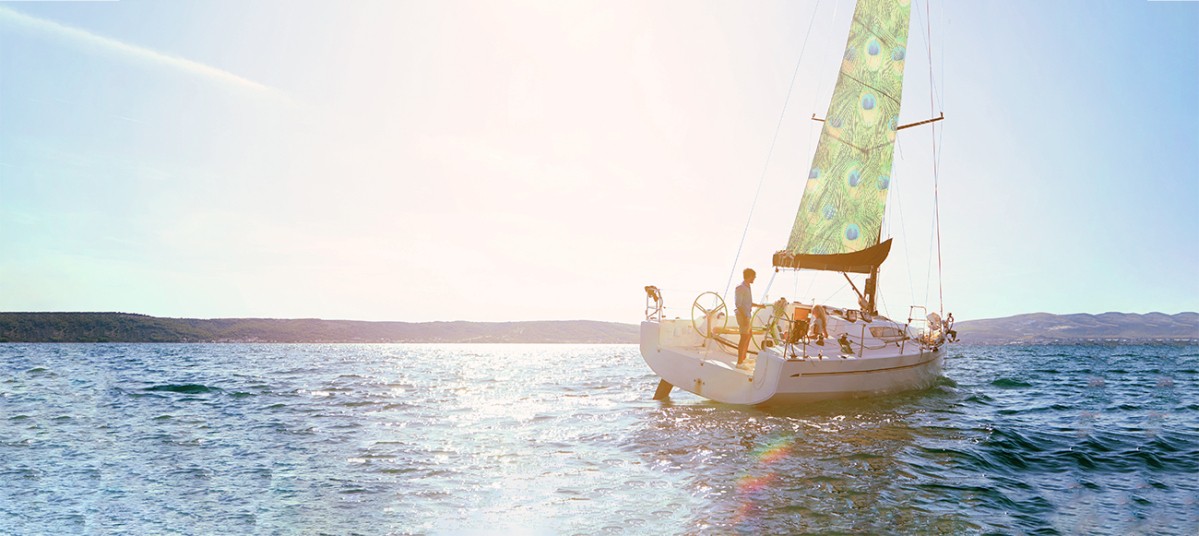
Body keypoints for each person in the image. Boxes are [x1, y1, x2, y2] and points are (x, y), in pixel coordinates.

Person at [735, 268, 758, 368]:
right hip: (742, 315)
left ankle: (743, 358)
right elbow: (738, 304)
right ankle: (739, 362)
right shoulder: (741, 287)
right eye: (754, 276)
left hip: (747, 315)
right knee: (744, 337)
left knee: (749, 335)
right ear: (749, 276)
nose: (755, 278)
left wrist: (759, 306)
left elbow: (747, 303)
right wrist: (744, 318)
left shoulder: (747, 287)